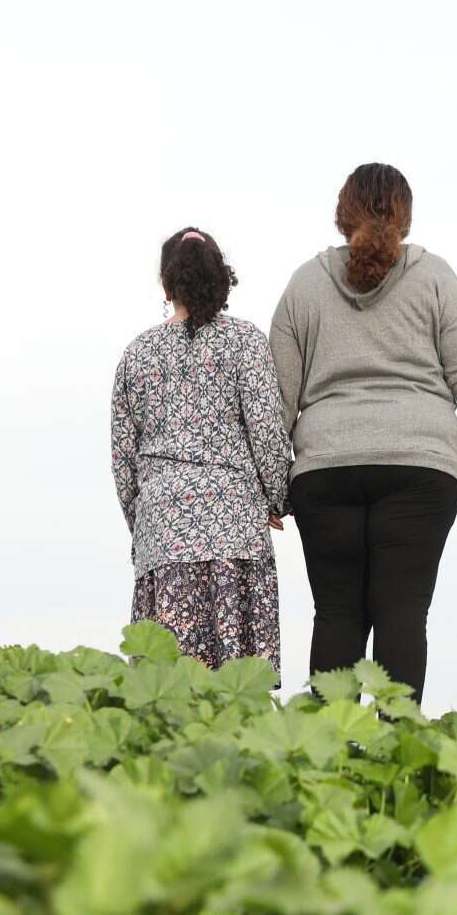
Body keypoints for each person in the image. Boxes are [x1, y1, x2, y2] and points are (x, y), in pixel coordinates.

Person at [268, 163, 457, 702]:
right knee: (403, 610)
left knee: (336, 613)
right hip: (421, 466)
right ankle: (397, 745)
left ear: (341, 215)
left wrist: (268, 482)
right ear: (406, 217)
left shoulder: (305, 283)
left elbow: (277, 393)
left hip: (325, 468)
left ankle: (326, 746)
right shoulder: (436, 277)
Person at [109, 227, 292, 675]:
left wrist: (144, 522)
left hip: (163, 534)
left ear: (166, 284)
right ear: (221, 278)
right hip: (235, 530)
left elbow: (123, 461)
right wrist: (276, 499)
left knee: (165, 686)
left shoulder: (136, 355)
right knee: (236, 686)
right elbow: (268, 433)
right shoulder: (247, 342)